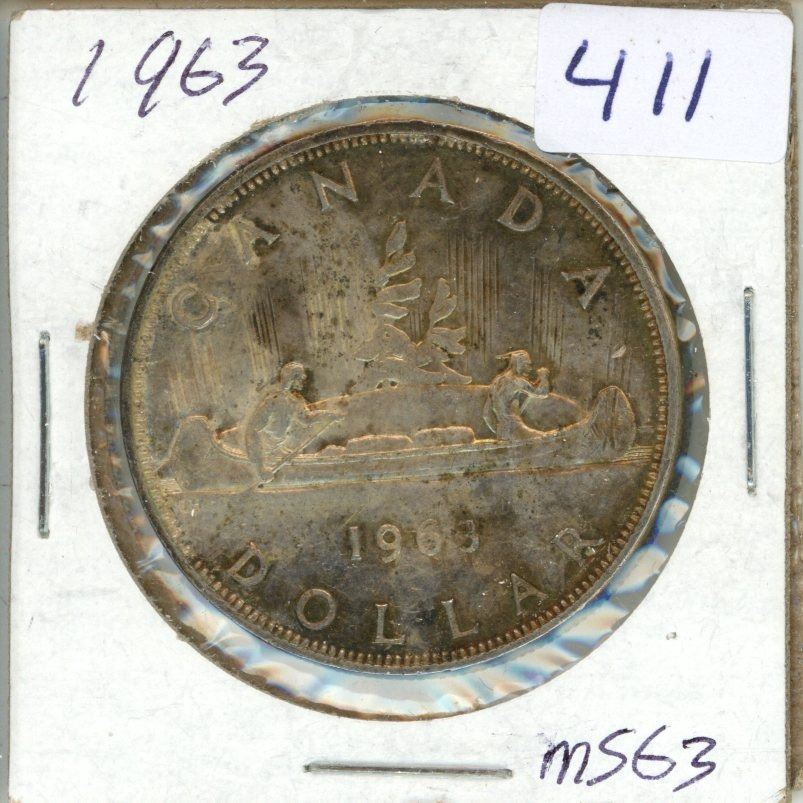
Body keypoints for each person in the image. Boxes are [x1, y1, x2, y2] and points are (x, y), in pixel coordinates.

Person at [242, 361, 338, 477]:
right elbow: (252, 430)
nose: (304, 382)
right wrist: (260, 468)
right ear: (292, 378)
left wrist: (329, 415)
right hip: (262, 452)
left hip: (279, 449)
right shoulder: (273, 400)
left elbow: (306, 419)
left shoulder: (296, 400)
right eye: (301, 378)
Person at [483, 349, 545, 441]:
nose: (530, 368)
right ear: (519, 364)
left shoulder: (496, 381)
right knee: (545, 438)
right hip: (516, 429)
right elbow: (542, 393)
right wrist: (544, 376)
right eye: (527, 364)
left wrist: (501, 430)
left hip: (502, 432)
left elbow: (486, 414)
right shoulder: (516, 381)